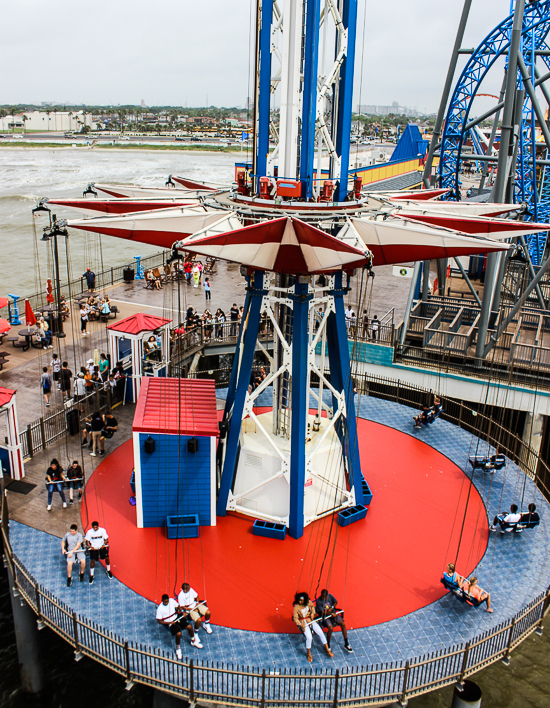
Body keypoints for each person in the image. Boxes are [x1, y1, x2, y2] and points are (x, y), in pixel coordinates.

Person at [292, 592, 334, 663]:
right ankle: (308, 652)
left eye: (302, 600)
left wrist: (312, 614)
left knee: (320, 632)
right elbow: (295, 618)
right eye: (299, 600)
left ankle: (327, 648)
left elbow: (312, 608)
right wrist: (299, 624)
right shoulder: (296, 607)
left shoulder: (308, 602)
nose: (300, 602)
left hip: (310, 619)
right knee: (309, 637)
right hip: (303, 622)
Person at [156, 594, 201, 658]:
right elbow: (159, 621)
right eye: (165, 602)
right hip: (170, 622)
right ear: (162, 600)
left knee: (189, 627)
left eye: (167, 601)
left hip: (177, 617)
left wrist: (182, 612)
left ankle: (193, 641)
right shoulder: (160, 609)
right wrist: (169, 622)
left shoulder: (171, 601)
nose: (166, 603)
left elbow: (178, 606)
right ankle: (178, 648)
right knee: (179, 634)